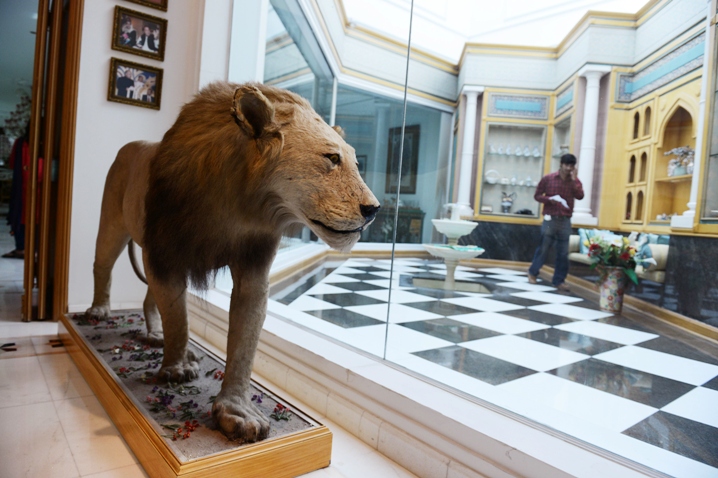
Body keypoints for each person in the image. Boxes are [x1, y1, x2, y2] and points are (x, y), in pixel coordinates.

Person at [527, 153, 584, 291]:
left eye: (571, 166)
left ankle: (559, 281)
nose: (569, 168)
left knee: (563, 252)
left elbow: (580, 196)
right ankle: (533, 273)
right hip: (550, 218)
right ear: (561, 164)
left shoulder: (574, 182)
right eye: (567, 165)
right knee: (544, 247)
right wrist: (549, 200)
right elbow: (537, 196)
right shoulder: (549, 178)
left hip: (565, 220)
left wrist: (575, 180)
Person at [3, 123, 30, 259]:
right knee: (22, 217)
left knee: (20, 216)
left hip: (23, 189)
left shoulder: (20, 143)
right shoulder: (20, 144)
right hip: (24, 189)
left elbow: (12, 163)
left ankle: (22, 249)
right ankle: (25, 249)